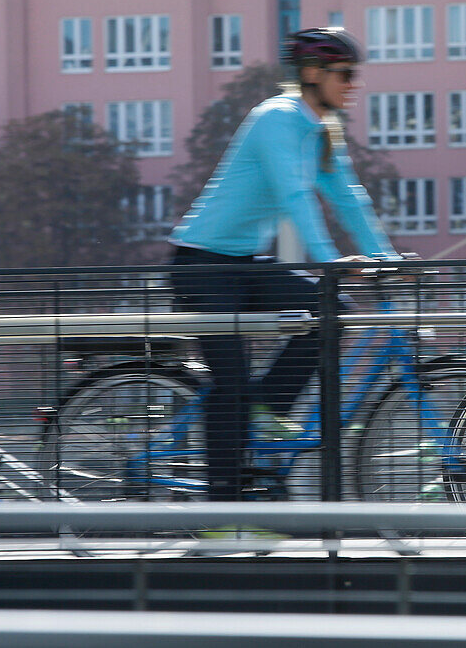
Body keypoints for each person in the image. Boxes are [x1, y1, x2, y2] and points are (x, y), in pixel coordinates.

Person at [168, 28, 399, 501]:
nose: (354, 84)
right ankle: (221, 510)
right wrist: (331, 259)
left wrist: (388, 257)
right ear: (313, 75)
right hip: (202, 264)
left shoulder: (322, 131)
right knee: (229, 382)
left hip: (246, 262)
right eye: (346, 74)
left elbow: (349, 199)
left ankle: (267, 404)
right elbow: (295, 195)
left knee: (331, 312)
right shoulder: (277, 118)